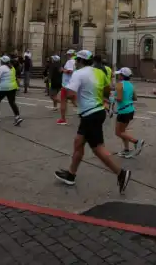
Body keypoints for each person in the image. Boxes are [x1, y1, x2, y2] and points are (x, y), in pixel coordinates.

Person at [54, 50, 132, 193]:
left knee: (98, 149)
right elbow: (108, 89)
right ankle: (71, 174)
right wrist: (103, 99)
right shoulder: (99, 72)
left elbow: (70, 94)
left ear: (81, 61)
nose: (75, 62)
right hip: (97, 112)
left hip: (89, 114)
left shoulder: (78, 74)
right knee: (78, 142)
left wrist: (76, 103)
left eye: (77, 60)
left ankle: (121, 173)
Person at [114, 67, 144, 157]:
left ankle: (137, 142)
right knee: (123, 131)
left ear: (122, 76)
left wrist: (112, 97)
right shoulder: (131, 85)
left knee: (118, 132)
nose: (118, 75)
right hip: (130, 110)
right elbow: (135, 98)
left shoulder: (119, 85)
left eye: (119, 74)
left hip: (123, 111)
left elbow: (119, 99)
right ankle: (126, 149)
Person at [0, 55, 23, 126]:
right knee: (12, 102)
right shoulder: (12, 68)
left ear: (2, 61)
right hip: (12, 87)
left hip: (2, 88)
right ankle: (17, 117)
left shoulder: (0, 68)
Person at [58, 50, 76, 125]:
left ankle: (63, 119)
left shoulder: (70, 62)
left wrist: (63, 70)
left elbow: (70, 71)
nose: (67, 56)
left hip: (66, 85)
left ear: (70, 55)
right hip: (72, 84)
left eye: (67, 55)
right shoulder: (75, 61)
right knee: (75, 101)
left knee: (62, 101)